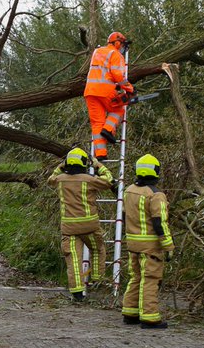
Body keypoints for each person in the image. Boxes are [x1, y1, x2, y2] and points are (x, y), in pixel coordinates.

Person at [47, 147, 115, 300]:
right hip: (89, 226)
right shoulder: (89, 180)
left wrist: (60, 166)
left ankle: (77, 293)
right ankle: (97, 280)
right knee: (98, 250)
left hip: (69, 227)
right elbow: (109, 180)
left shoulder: (60, 179)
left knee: (73, 259)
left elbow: (50, 178)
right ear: (84, 163)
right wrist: (98, 165)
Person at [122, 153, 174, 329]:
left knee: (135, 277)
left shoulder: (129, 190)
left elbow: (125, 215)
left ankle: (130, 312)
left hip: (132, 243)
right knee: (151, 279)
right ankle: (150, 317)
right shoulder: (156, 195)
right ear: (156, 171)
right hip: (150, 245)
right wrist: (168, 246)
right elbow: (160, 222)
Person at [83, 31, 134, 160]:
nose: (123, 47)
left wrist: (116, 86)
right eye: (122, 44)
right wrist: (130, 89)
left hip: (90, 91)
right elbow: (118, 75)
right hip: (105, 90)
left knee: (96, 123)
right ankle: (108, 129)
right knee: (119, 109)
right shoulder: (116, 54)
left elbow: (102, 71)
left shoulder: (97, 52)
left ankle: (100, 154)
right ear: (117, 43)